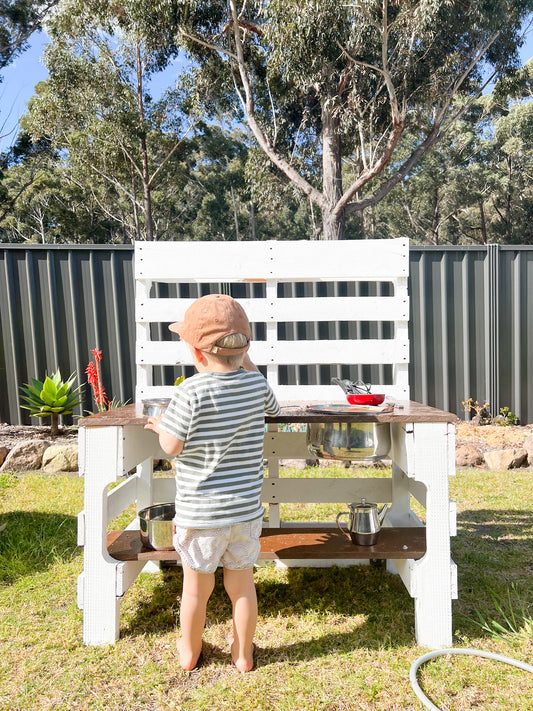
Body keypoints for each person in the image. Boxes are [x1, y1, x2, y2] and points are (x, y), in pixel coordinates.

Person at [144, 293, 280, 673]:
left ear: (198, 353)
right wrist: (246, 362)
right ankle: (243, 653)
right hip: (244, 514)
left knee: (196, 590)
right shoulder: (256, 387)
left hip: (200, 515)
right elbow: (274, 408)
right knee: (242, 588)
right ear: (244, 349)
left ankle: (188, 652)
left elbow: (171, 446)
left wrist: (161, 427)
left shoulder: (189, 391)